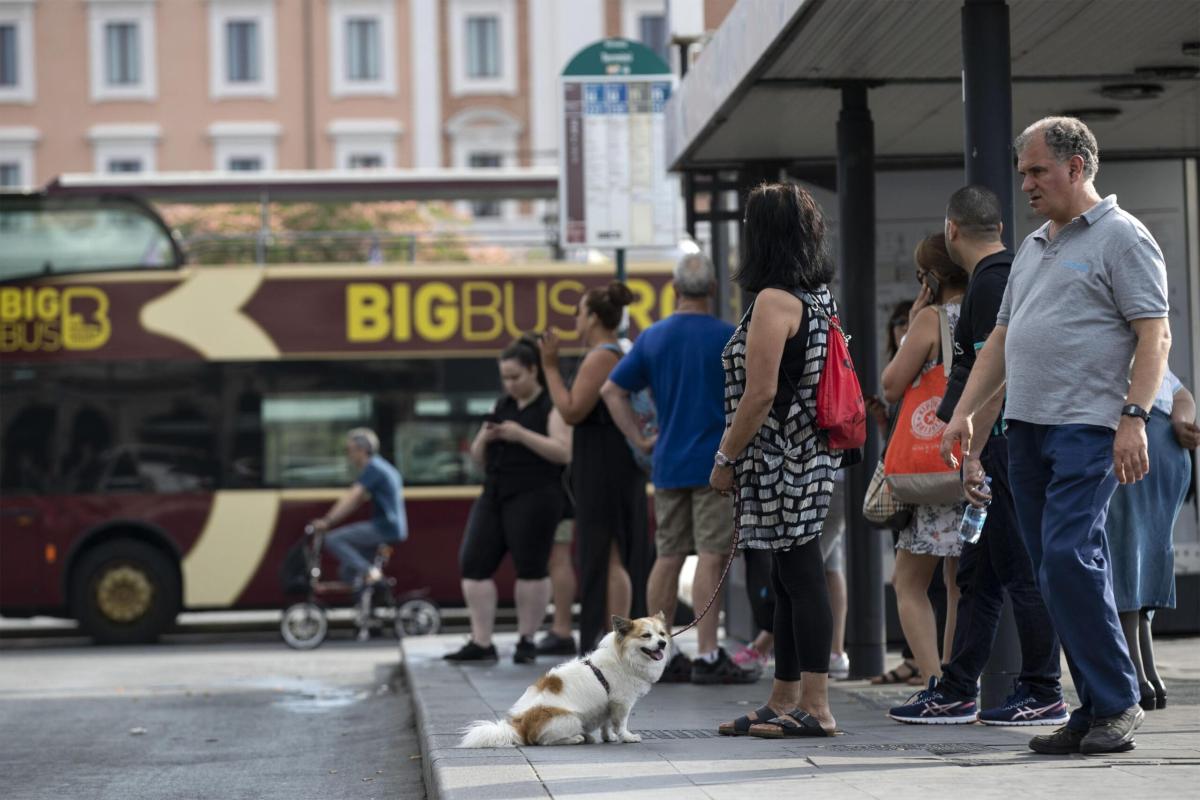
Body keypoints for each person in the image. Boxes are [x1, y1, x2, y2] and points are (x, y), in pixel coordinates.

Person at [943, 116, 1172, 755]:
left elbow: (1155, 335)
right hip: (1027, 433)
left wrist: (1134, 418)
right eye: (1022, 173)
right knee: (1052, 572)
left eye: (1037, 171)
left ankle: (1118, 702)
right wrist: (966, 415)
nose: (1026, 184)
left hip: (1089, 430)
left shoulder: (1123, 237)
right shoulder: (1037, 246)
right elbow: (1002, 342)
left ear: (1077, 167)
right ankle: (1094, 706)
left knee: (1071, 558)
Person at [890, 185, 1066, 726]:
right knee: (978, 574)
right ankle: (957, 687)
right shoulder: (1007, 273)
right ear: (1001, 229)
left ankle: (1043, 690)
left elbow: (995, 376)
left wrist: (972, 452)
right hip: (994, 445)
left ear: (951, 230)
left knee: (1019, 571)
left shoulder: (993, 283)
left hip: (1001, 447)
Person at [711, 181, 841, 738]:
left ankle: (816, 707)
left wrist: (725, 457)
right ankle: (784, 698)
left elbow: (759, 394)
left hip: (782, 460)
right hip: (808, 456)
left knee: (802, 577)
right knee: (791, 578)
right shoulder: (816, 299)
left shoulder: (772, 301)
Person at [601, 253, 758, 685]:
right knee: (711, 556)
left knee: (668, 555)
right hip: (717, 465)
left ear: (674, 290)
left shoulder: (653, 338)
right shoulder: (729, 337)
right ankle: (708, 653)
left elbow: (611, 390)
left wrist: (639, 438)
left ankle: (657, 652)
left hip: (667, 462)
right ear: (712, 290)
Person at [444, 336, 572, 665]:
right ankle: (481, 641)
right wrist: (485, 438)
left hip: (537, 493)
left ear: (533, 371)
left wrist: (521, 435)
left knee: (530, 567)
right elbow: (476, 457)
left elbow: (563, 452)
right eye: (505, 377)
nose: (510, 384)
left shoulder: (550, 406)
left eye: (516, 377)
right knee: (473, 563)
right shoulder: (499, 405)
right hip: (495, 491)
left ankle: (526, 639)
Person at [540, 282, 651, 654]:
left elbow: (572, 409)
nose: (574, 318)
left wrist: (550, 367)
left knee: (606, 550)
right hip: (611, 461)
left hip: (605, 464)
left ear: (591, 318)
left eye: (579, 311)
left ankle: (610, 637)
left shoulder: (601, 355)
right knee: (611, 549)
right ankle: (614, 636)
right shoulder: (614, 351)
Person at [879, 233, 966, 685]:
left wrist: (914, 321)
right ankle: (957, 679)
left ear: (929, 279)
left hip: (932, 469)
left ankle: (935, 681)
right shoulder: (985, 312)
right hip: (972, 463)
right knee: (956, 584)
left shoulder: (932, 319)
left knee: (908, 581)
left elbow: (892, 385)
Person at [1107, 370, 1197, 710]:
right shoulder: (1150, 337)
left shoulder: (1113, 330)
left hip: (1132, 443)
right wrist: (1181, 422)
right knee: (1148, 553)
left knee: (1126, 552)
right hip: (1167, 449)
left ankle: (1135, 674)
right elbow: (1181, 393)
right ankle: (1148, 673)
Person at [311, 428, 408, 593]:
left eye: (349, 450)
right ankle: (365, 604)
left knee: (333, 540)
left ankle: (372, 574)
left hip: (384, 527)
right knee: (347, 571)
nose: (348, 455)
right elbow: (355, 503)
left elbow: (352, 496)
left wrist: (327, 521)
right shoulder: (381, 466)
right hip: (390, 527)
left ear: (362, 450)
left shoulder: (374, 469)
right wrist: (333, 520)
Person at [536, 494, 579, 656]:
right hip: (560, 494)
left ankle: (562, 628)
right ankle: (561, 627)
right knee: (558, 559)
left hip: (558, 495)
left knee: (558, 558)